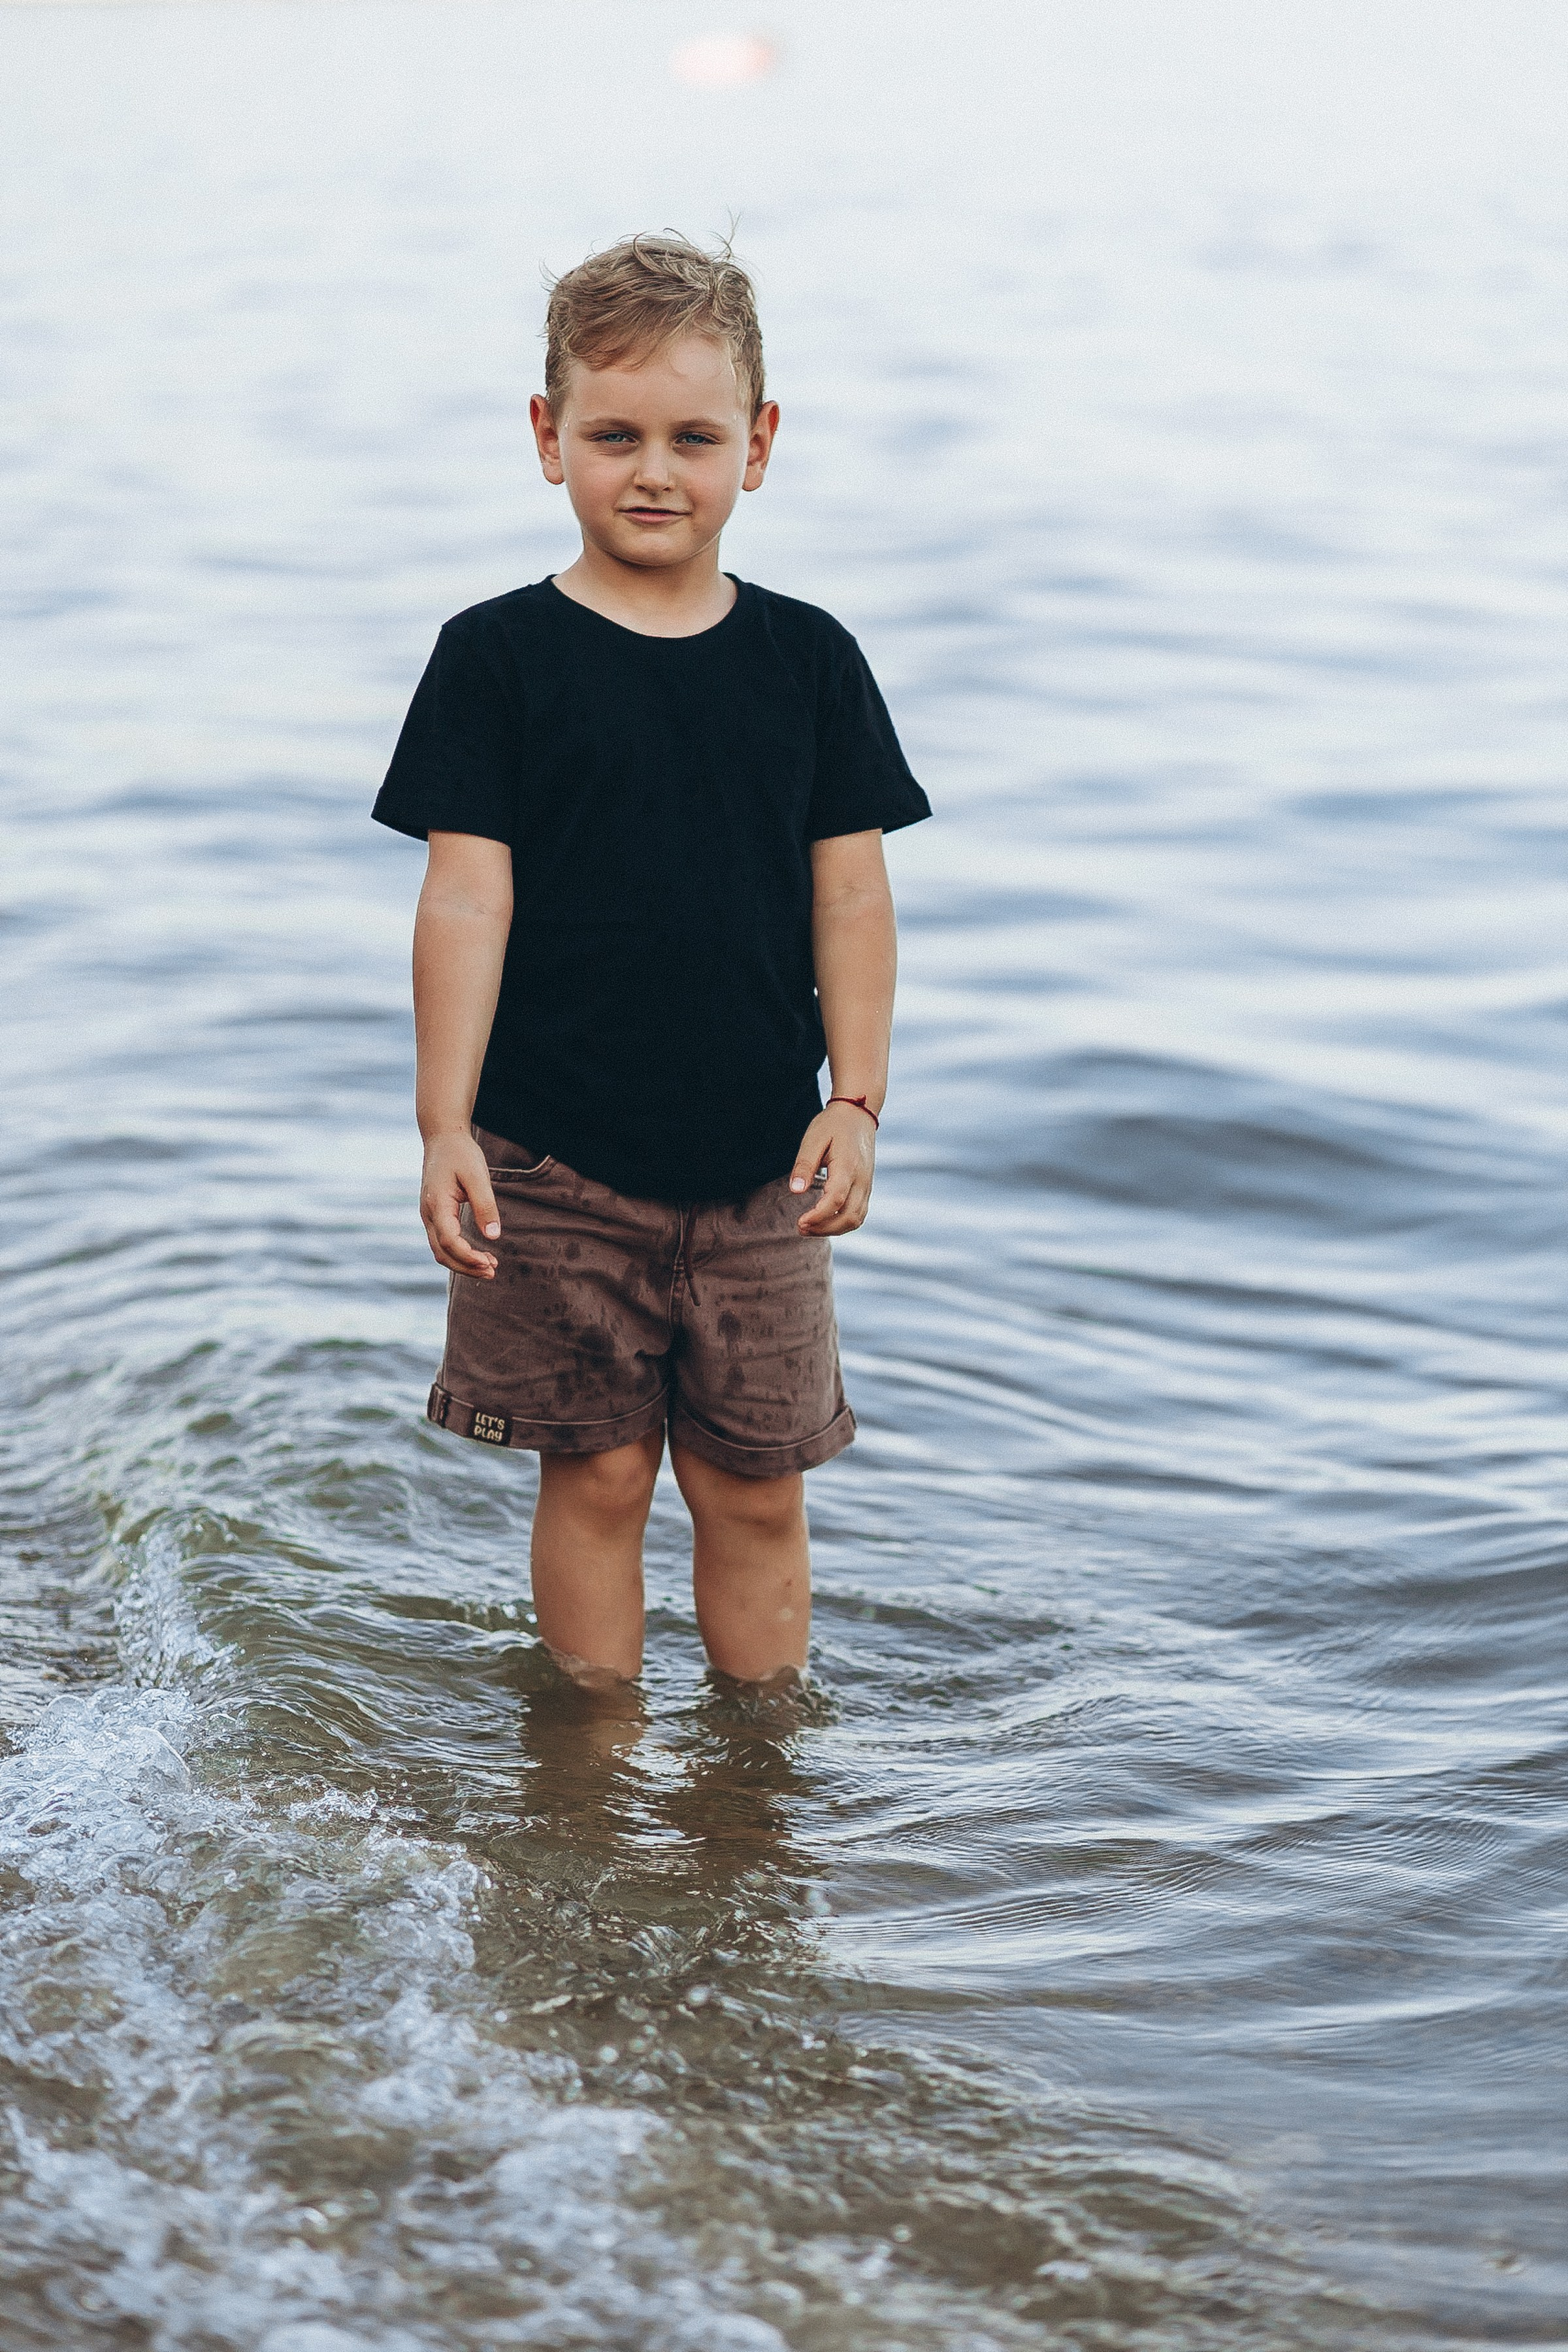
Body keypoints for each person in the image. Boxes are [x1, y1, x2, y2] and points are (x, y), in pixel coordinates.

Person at [373, 234, 929, 1694]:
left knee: (756, 1486)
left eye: (695, 436)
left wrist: (857, 1101)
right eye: (614, 435)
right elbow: (464, 903)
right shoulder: (496, 659)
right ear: (549, 437)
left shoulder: (810, 662)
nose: (655, 470)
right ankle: (592, 1761)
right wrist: (445, 1124)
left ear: (761, 441)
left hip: (763, 1168)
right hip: (554, 1161)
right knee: (602, 1476)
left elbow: (854, 899)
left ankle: (759, 1786)